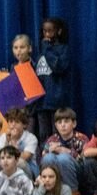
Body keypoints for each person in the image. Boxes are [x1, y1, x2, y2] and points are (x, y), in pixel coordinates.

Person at [33, 17, 71, 145]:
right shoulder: (41, 52)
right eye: (45, 31)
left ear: (59, 31)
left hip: (56, 100)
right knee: (43, 134)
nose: (47, 34)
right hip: (41, 102)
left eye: (50, 31)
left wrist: (47, 49)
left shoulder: (63, 49)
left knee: (57, 134)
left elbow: (58, 67)